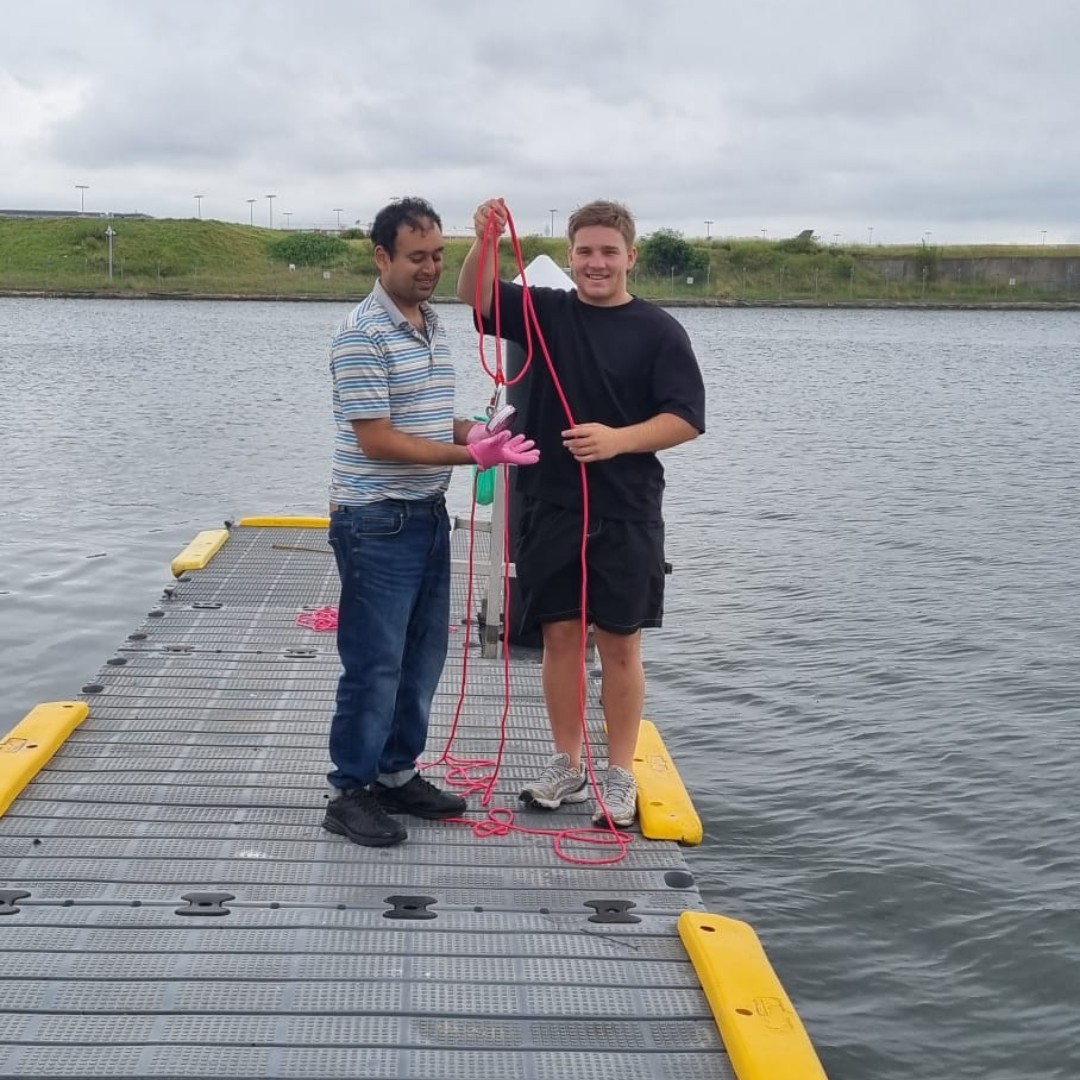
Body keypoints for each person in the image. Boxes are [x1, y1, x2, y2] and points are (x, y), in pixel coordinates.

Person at [456, 197, 705, 828]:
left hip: (625, 511)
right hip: (550, 505)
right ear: (570, 258)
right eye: (586, 252)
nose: (597, 263)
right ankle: (568, 764)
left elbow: (686, 419)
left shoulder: (659, 330)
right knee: (561, 639)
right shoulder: (545, 312)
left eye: (609, 252)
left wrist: (617, 439)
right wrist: (483, 238)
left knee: (620, 644)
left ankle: (617, 774)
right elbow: (476, 296)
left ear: (630, 257)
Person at [323, 196, 539, 848]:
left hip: (424, 515)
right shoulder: (362, 333)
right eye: (417, 257)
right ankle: (349, 790)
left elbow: (422, 421)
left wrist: (474, 429)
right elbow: (379, 441)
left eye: (438, 255)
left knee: (423, 656)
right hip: (374, 520)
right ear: (381, 256)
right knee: (375, 661)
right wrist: (469, 453)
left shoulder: (431, 322)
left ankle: (395, 772)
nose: (430, 268)